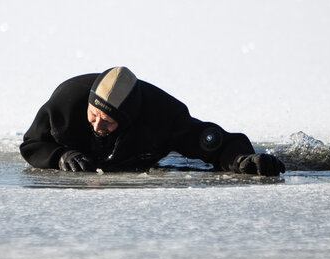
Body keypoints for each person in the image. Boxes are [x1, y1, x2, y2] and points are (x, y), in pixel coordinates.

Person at [20, 66, 285, 176]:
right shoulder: (67, 101)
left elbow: (211, 141)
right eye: (93, 115)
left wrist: (242, 160)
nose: (97, 125)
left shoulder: (163, 117)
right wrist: (59, 156)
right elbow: (32, 144)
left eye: (107, 121)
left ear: (127, 120)